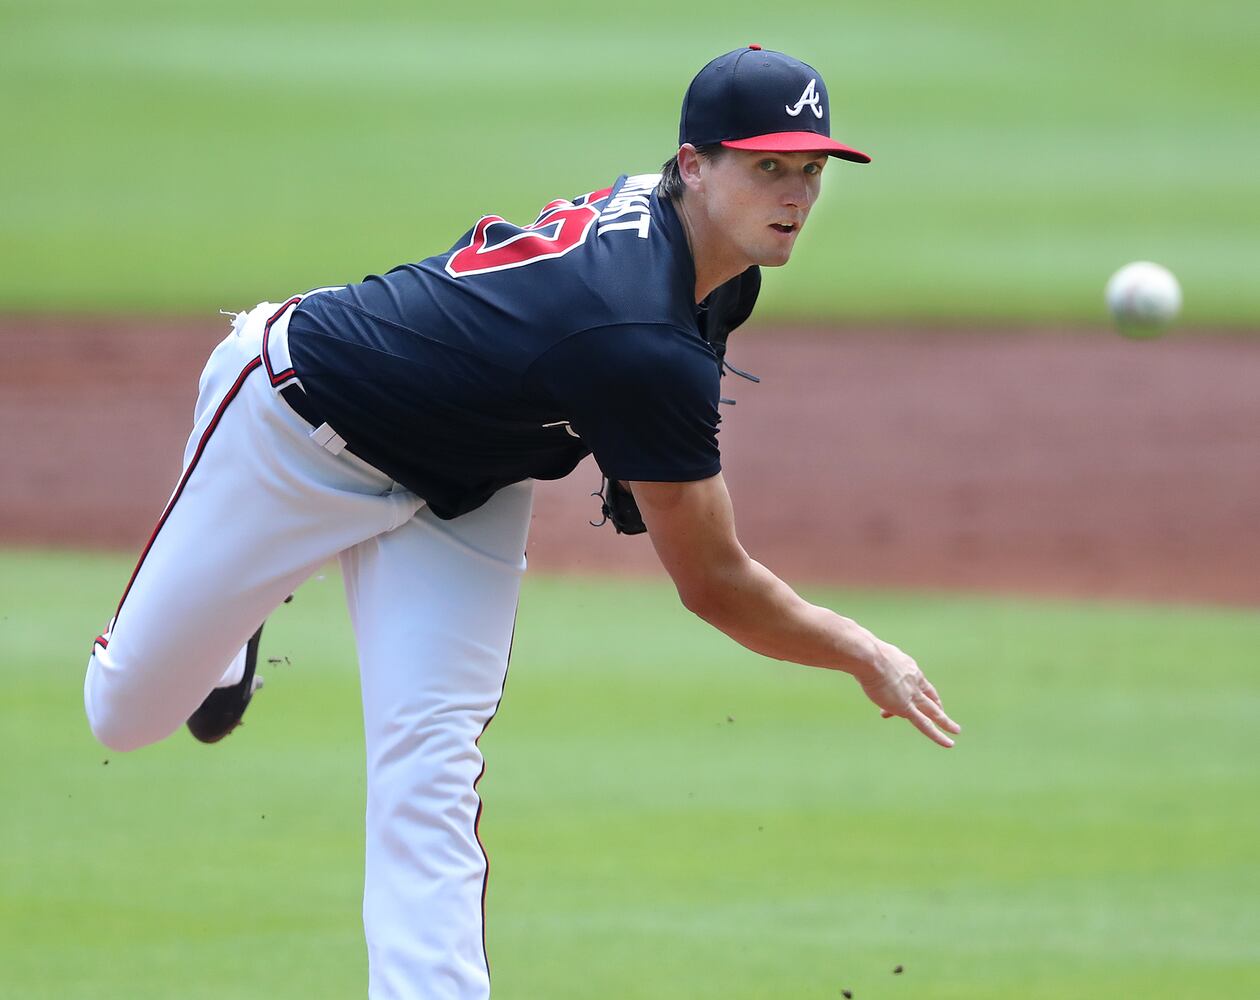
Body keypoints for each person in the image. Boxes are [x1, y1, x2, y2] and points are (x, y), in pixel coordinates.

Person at [84, 45, 961, 1000]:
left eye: (809, 170)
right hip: (294, 422)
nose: (794, 195)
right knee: (125, 716)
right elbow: (714, 583)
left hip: (469, 481)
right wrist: (861, 650)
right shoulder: (635, 332)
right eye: (767, 166)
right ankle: (233, 619)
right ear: (694, 164)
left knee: (432, 764)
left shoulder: (714, 257)